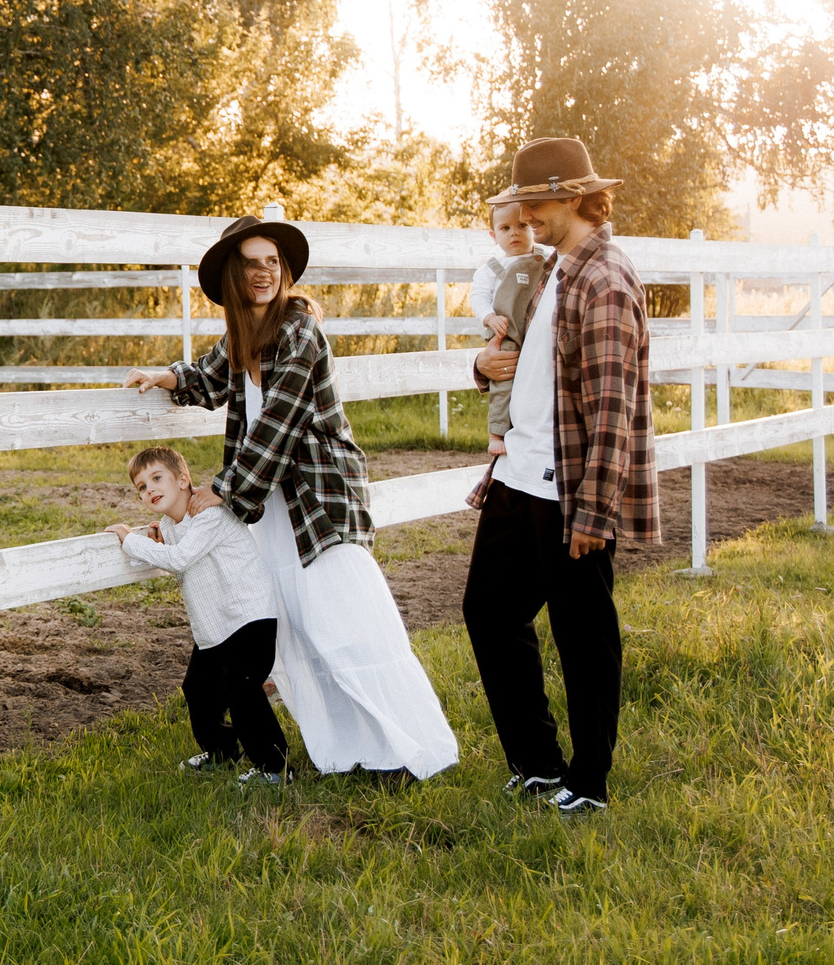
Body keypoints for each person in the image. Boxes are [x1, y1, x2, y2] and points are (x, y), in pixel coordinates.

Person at [127, 214, 461, 781]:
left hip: (317, 500)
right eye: (251, 263)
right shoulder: (241, 335)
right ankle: (347, 751)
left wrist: (226, 489)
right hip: (273, 506)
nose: (263, 273)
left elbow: (278, 420)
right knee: (300, 625)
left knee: (346, 619)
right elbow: (210, 379)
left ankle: (406, 750)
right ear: (235, 274)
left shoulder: (299, 328)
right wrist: (168, 377)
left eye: (272, 263)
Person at [462, 138, 659, 814]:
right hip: (518, 472)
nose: (525, 214)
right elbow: (514, 355)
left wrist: (594, 510)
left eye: (535, 202)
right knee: (489, 610)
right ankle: (538, 763)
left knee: (583, 633)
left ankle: (589, 779)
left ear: (574, 196)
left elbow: (613, 406)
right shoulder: (550, 269)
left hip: (570, 485)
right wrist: (482, 367)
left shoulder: (605, 277)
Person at [109, 445, 291, 781]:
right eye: (142, 487)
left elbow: (180, 560)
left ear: (183, 481)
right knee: (198, 689)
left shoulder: (209, 514)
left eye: (157, 478)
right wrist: (161, 545)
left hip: (249, 617)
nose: (150, 489)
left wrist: (129, 538)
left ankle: (274, 768)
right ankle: (222, 752)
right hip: (215, 625)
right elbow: (182, 564)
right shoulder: (170, 524)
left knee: (243, 689)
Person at [466, 198, 551, 509]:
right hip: (507, 330)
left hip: (535, 330)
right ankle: (497, 432)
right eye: (505, 228)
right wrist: (489, 318)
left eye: (522, 226)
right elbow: (477, 298)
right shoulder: (493, 267)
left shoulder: (546, 260)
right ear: (494, 236)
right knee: (503, 379)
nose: (515, 233)